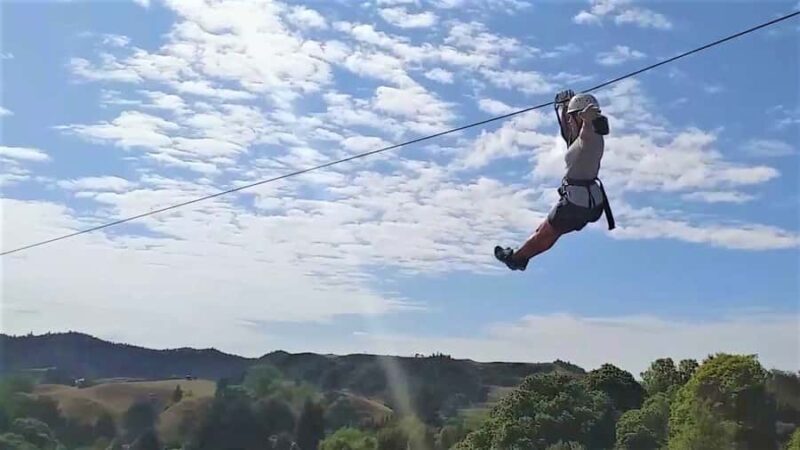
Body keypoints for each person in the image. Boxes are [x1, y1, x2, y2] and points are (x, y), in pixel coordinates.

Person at [494, 90, 615, 271]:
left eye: (571, 117)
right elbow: (571, 135)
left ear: (581, 118)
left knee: (546, 233)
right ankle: (520, 256)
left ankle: (516, 258)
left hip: (577, 201)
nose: (568, 121)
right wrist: (566, 106)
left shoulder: (591, 136)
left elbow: (586, 133)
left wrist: (588, 121)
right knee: (548, 231)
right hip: (587, 202)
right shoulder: (581, 141)